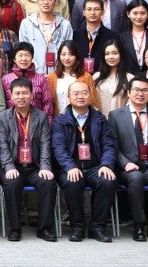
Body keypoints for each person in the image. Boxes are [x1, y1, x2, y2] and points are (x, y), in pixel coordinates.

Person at [52, 79, 118, 243]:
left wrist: (106, 165)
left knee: (108, 181)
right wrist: (70, 167)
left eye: (84, 93)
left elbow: (109, 145)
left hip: (95, 167)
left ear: (90, 95)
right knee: (72, 182)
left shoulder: (100, 119)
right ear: (68, 97)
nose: (80, 96)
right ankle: (77, 227)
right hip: (69, 168)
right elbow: (58, 148)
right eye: (76, 93)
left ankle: (97, 227)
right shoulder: (60, 121)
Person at [109, 77, 148, 242]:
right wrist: (125, 163)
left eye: (145, 90)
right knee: (136, 177)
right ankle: (138, 224)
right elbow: (112, 146)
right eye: (136, 90)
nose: (140, 94)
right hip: (126, 169)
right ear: (128, 93)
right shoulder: (115, 116)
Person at [0, 77, 57, 242]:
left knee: (48, 183)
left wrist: (45, 167)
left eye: (24, 93)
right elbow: (2, 146)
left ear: (31, 94)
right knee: (12, 183)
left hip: (34, 166)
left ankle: (44, 228)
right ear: (11, 95)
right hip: (12, 165)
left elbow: (45, 143)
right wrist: (9, 167)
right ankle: (15, 228)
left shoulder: (41, 117)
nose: (21, 97)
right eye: (17, 93)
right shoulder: (2, 117)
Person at [18, 0, 74, 74]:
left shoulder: (65, 25)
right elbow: (24, 50)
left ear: (56, 2)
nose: (46, 2)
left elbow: (68, 51)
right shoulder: (26, 24)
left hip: (59, 74)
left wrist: (56, 72)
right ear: (37, 2)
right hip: (34, 74)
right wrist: (38, 72)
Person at [47, 41, 99, 118]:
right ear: (59, 56)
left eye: (71, 54)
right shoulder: (52, 78)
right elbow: (48, 103)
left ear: (76, 56)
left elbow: (93, 102)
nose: (67, 58)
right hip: (58, 120)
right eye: (63, 54)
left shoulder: (86, 77)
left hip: (81, 120)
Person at [1, 42, 52, 119]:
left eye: (27, 55)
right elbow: (2, 104)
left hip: (37, 122)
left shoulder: (41, 79)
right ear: (14, 59)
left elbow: (47, 103)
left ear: (32, 58)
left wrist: (45, 123)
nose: (24, 59)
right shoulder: (5, 79)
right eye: (20, 55)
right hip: (12, 122)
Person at [73, 0, 119, 75]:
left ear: (103, 12)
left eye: (96, 9)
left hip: (104, 77)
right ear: (83, 12)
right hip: (80, 78)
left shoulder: (112, 36)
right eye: (89, 9)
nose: (92, 13)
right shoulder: (75, 35)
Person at [118, 0, 148, 73]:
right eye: (135, 13)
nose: (139, 17)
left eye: (142, 13)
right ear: (128, 14)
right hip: (128, 76)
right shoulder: (121, 37)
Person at [94, 39, 133, 116]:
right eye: (107, 54)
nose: (110, 57)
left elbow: (131, 103)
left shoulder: (130, 78)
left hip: (121, 120)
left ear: (121, 54)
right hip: (99, 120)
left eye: (115, 53)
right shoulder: (96, 76)